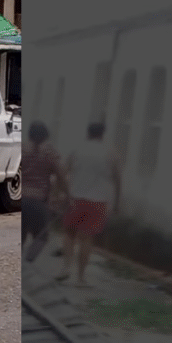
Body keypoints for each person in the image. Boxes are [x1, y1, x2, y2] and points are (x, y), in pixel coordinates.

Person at [57, 122, 121, 285]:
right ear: (102, 134)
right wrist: (117, 203)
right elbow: (118, 180)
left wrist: (62, 194)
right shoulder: (111, 153)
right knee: (87, 239)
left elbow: (63, 172)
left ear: (88, 133)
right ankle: (81, 277)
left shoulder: (77, 149)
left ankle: (65, 268)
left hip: (75, 199)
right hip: (98, 202)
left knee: (69, 234)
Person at [22, 121, 69, 262]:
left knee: (21, 235)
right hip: (39, 201)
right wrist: (67, 194)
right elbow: (61, 175)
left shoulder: (22, 149)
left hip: (22, 198)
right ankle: (28, 260)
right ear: (45, 136)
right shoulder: (50, 153)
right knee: (42, 236)